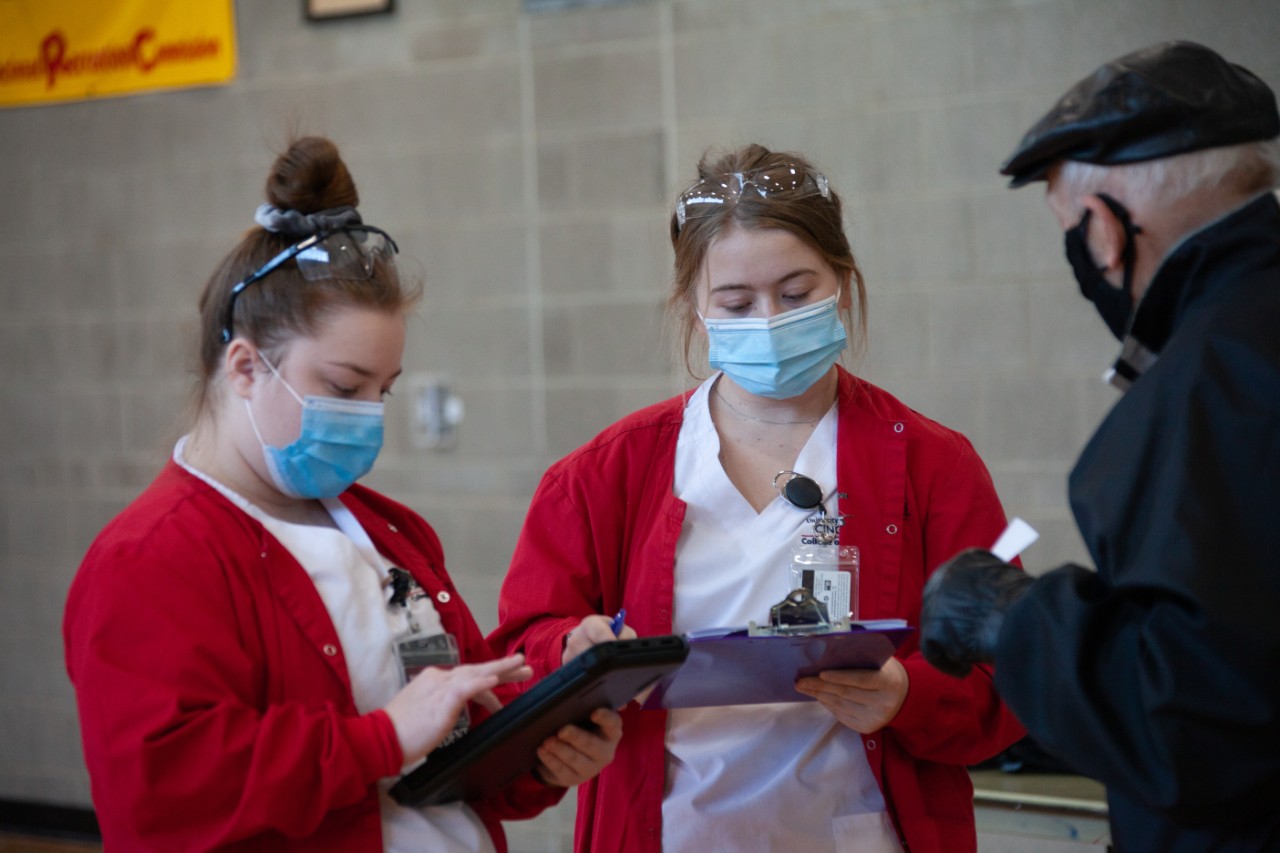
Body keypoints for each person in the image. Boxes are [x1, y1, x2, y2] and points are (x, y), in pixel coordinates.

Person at [63, 135, 622, 852]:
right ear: (244, 366)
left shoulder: (388, 532)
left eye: (382, 391)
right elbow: (164, 794)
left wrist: (547, 742)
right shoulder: (149, 557)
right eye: (342, 386)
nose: (366, 414)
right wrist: (380, 739)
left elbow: (455, 738)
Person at [489, 143, 1026, 853]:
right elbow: (518, 659)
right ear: (694, 309)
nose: (769, 319)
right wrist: (570, 650)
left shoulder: (932, 465)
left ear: (842, 280)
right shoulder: (603, 475)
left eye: (797, 293)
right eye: (737, 303)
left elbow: (1010, 672)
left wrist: (907, 693)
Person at [919, 40, 1280, 851]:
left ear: (1106, 232)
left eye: (1072, 236)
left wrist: (1014, 620)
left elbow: (1197, 715)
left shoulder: (1207, 384)